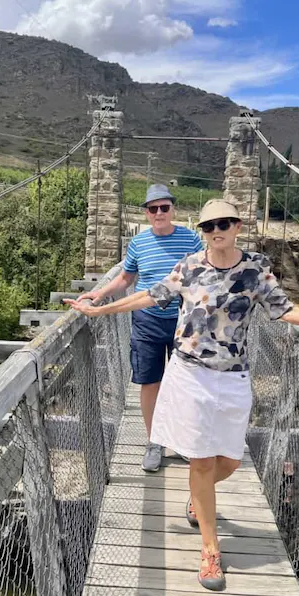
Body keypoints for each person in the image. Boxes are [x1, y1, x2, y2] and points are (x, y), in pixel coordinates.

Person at [66, 198, 299, 592]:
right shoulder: (190, 266)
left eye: (224, 223)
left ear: (238, 226)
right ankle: (211, 549)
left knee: (227, 460)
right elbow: (149, 295)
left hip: (233, 376)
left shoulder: (256, 269)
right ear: (203, 232)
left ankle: (199, 498)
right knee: (201, 459)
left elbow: (285, 311)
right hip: (190, 373)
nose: (217, 231)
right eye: (209, 226)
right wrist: (100, 309)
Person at [76, 183, 202, 472]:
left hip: (184, 322)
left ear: (173, 210)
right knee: (150, 381)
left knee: (186, 383)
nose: (159, 213)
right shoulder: (139, 244)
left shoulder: (191, 240)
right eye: (153, 208)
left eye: (164, 208)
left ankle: (181, 441)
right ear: (146, 213)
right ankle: (155, 441)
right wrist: (99, 294)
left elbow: (201, 278)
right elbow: (126, 279)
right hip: (146, 320)